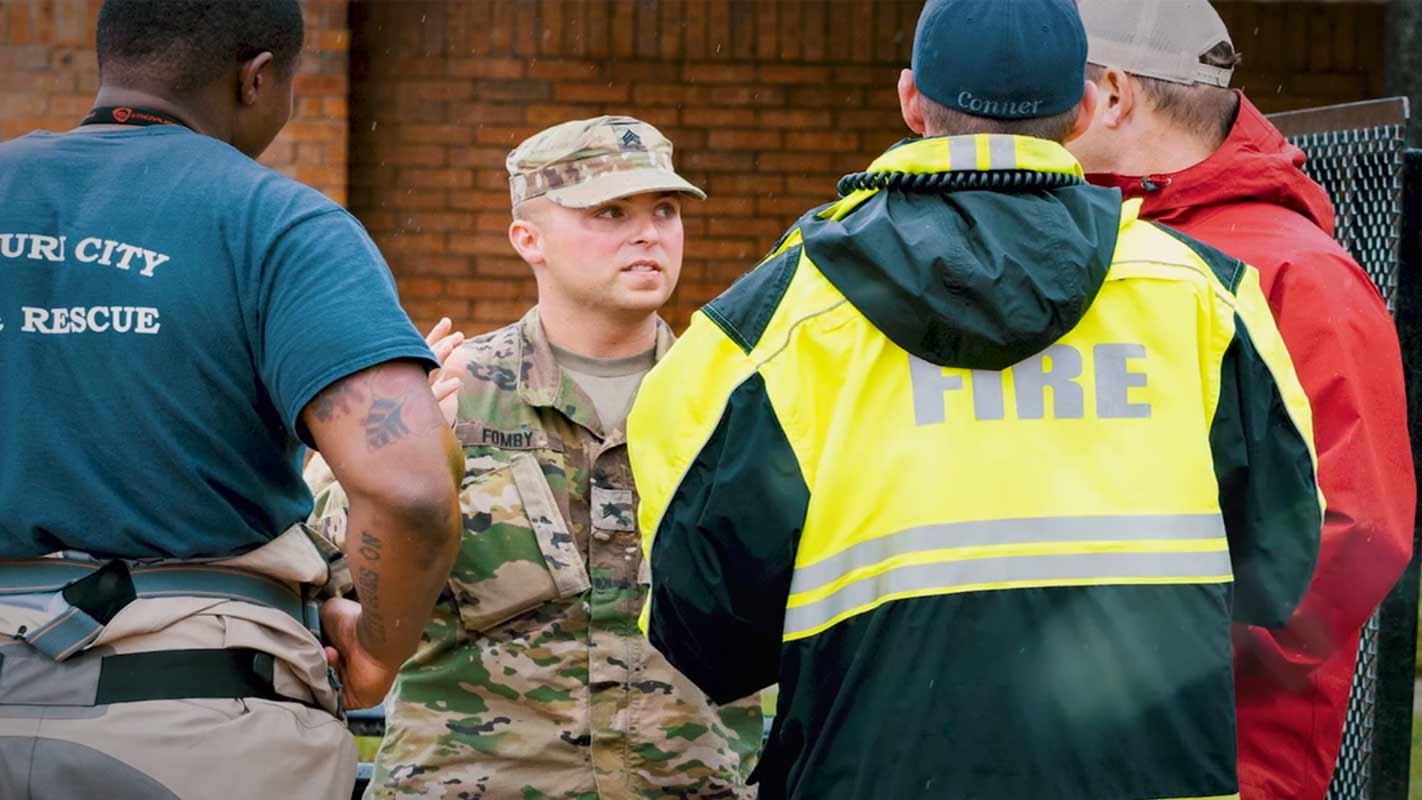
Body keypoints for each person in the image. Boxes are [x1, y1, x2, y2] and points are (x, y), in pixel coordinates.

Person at [627, 1, 1324, 797]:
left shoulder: (774, 324)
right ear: (1088, 106)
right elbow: (1280, 567)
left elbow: (703, 621)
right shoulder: (1205, 297)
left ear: (911, 100)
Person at [0, 1, 463, 797]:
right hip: (197, 717)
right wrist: (379, 651)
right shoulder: (280, 225)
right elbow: (408, 486)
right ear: (255, 79)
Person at [306, 115, 762, 799]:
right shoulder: (443, 394)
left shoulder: (737, 399)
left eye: (665, 210)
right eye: (610, 211)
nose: (648, 233)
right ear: (528, 239)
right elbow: (319, 571)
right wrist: (404, 457)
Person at [1067, 3, 1416, 796]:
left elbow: (1357, 535)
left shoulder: (1299, 276)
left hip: (1228, 759)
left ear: (1114, 96)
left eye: (1057, 100)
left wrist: (1148, 674)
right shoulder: (1104, 243)